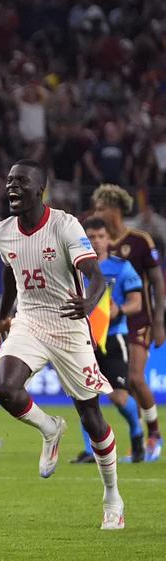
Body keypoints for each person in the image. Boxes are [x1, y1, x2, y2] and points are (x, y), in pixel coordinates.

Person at [0, 159, 124, 530]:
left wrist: (90, 303)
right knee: (3, 387)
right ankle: (49, 428)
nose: (12, 188)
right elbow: (9, 272)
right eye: (9, 182)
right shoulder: (2, 232)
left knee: (91, 418)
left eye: (21, 182)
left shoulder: (64, 225)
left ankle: (112, 496)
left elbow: (95, 276)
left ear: (39, 189)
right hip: (29, 321)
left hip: (69, 324)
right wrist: (4, 315)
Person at [89, 184, 164, 460]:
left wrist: (159, 321)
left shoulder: (141, 240)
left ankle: (154, 433)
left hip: (138, 318)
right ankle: (138, 437)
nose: (97, 213)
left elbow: (156, 281)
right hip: (106, 325)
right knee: (122, 386)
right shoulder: (99, 242)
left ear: (115, 209)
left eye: (101, 208)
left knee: (134, 378)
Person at [70, 217, 145, 463]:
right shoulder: (75, 269)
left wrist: (119, 310)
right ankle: (91, 450)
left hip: (113, 338)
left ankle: (137, 434)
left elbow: (137, 303)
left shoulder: (122, 268)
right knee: (85, 396)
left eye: (101, 236)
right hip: (83, 340)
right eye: (90, 237)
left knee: (118, 397)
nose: (96, 241)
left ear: (109, 239)